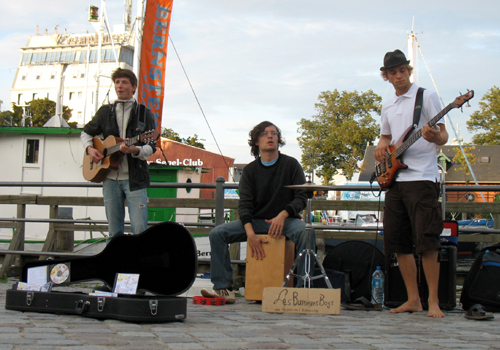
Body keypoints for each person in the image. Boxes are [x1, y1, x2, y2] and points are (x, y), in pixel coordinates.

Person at [201, 121, 312, 303]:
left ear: (279, 140)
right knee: (217, 233)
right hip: (257, 221)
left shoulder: (291, 164)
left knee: (305, 231)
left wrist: (282, 215)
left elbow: (301, 198)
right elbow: (244, 205)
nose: (270, 136)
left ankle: (302, 292)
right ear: (256, 141)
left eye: (274, 134)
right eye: (265, 133)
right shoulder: (250, 171)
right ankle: (223, 289)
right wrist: (250, 233)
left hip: (286, 221)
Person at [374, 50, 449, 318]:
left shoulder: (426, 96)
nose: (399, 76)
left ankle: (434, 302)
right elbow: (385, 138)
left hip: (422, 178)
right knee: (398, 243)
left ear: (409, 71)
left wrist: (433, 137)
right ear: (387, 76)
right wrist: (381, 147)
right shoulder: (387, 105)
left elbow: (443, 137)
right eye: (393, 72)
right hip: (396, 180)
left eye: (402, 70)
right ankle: (413, 299)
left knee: (427, 241)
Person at [81, 68, 156, 242]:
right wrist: (90, 149)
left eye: (124, 82)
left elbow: (151, 146)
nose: (119, 86)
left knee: (139, 230)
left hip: (135, 180)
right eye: (117, 82)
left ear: (134, 87)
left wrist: (136, 150)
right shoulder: (105, 112)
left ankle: (139, 266)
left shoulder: (145, 114)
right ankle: (115, 267)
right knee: (114, 232)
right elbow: (85, 133)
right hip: (109, 178)